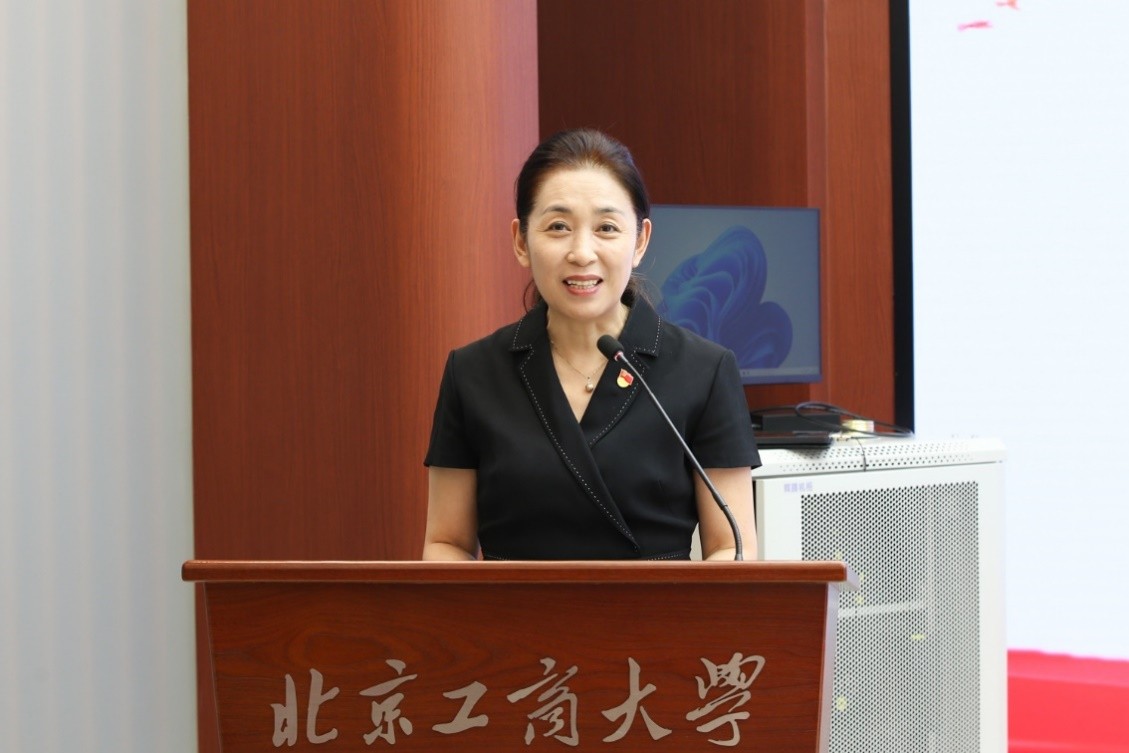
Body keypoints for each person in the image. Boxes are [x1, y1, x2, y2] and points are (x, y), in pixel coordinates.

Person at [422, 128, 760, 561]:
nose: (582, 253)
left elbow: (732, 546)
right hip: (514, 607)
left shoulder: (705, 371)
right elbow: (446, 543)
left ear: (640, 241)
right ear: (521, 241)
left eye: (606, 228)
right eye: (558, 227)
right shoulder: (472, 372)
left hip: (656, 606)